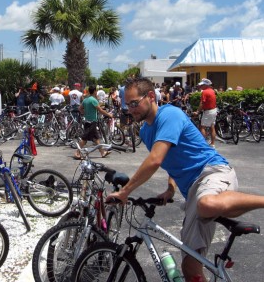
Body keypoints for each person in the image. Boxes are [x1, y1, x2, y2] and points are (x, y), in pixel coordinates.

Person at [107, 77, 264, 281]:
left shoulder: (170, 114)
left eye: (135, 103)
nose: (130, 109)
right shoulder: (146, 131)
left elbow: (155, 160)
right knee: (191, 269)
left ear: (151, 97)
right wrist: (171, 188)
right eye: (127, 104)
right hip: (193, 190)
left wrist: (125, 191)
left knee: (206, 204)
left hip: (212, 172)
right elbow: (169, 159)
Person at [74, 85, 113, 159]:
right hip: (91, 122)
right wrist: (109, 115)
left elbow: (80, 108)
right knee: (84, 139)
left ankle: (102, 152)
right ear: (95, 91)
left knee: (96, 138)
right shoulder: (93, 100)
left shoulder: (85, 100)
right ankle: (77, 153)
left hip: (87, 121)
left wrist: (84, 113)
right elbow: (100, 110)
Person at [194, 78, 217, 147]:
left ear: (206, 85)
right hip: (214, 110)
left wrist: (197, 111)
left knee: (202, 127)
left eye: (202, 85)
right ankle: (212, 143)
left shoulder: (205, 92)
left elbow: (202, 103)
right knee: (212, 126)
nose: (201, 87)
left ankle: (202, 144)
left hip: (208, 111)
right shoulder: (212, 91)